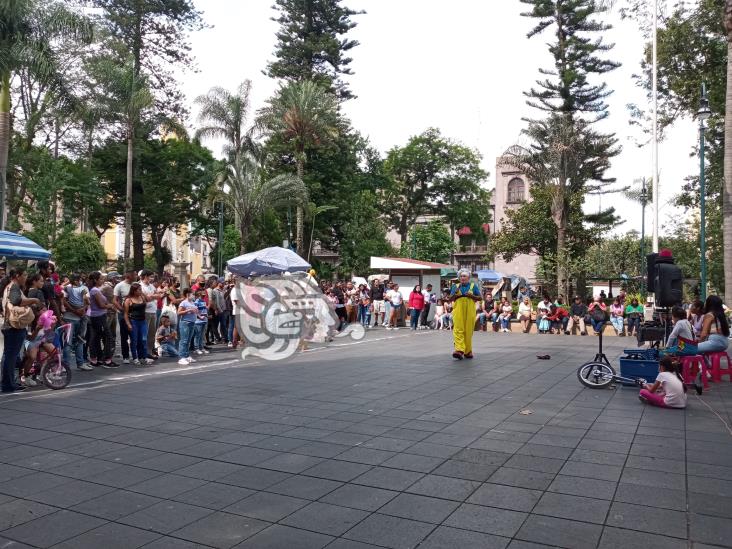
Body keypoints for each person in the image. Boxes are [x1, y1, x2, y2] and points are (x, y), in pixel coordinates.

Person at [1, 268, 40, 392]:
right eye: (24, 275)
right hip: (13, 326)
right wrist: (33, 300)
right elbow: (16, 300)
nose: (26, 277)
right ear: (17, 276)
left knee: (10, 356)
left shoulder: (11, 286)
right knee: (11, 356)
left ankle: (9, 382)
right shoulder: (13, 287)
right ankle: (8, 385)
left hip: (11, 326)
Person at [448, 269, 482, 359]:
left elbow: (480, 298)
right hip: (458, 310)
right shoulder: (455, 286)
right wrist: (456, 294)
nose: (462, 278)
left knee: (468, 330)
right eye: (461, 276)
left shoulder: (473, 286)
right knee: (458, 329)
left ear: (468, 278)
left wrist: (472, 296)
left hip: (470, 310)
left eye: (464, 276)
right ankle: (459, 350)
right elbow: (450, 299)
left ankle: (468, 351)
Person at [87, 271, 117, 368]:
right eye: (100, 279)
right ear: (95, 280)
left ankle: (96, 359)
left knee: (96, 338)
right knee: (108, 338)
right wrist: (110, 306)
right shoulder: (95, 290)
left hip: (97, 316)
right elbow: (101, 305)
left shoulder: (95, 290)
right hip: (99, 317)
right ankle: (106, 360)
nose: (102, 281)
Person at [21, 309, 57, 387]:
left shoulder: (46, 320)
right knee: (32, 357)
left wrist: (53, 325)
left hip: (41, 339)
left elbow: (48, 335)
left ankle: (43, 374)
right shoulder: (30, 322)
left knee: (54, 353)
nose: (45, 311)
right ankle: (26, 377)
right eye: (42, 310)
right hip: (29, 341)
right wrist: (37, 329)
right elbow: (30, 338)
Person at [62, 274, 91, 371]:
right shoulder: (82, 288)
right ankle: (77, 363)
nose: (80, 281)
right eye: (79, 279)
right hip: (76, 318)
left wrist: (77, 310)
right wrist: (81, 310)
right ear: (76, 280)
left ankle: (72, 364)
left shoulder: (67, 288)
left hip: (71, 317)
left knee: (71, 342)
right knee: (78, 341)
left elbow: (64, 301)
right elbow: (87, 300)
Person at [123, 283, 152, 366]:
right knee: (134, 340)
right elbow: (125, 314)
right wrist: (128, 324)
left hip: (142, 321)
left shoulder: (142, 297)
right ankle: (135, 358)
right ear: (134, 291)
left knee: (143, 339)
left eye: (141, 289)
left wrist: (143, 294)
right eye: (139, 290)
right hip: (133, 321)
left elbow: (147, 301)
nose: (140, 291)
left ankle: (143, 357)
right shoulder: (128, 300)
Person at [114, 270, 136, 364]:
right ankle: (126, 356)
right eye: (134, 274)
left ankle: (135, 355)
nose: (135, 276)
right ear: (128, 275)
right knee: (124, 335)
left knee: (134, 335)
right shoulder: (119, 285)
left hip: (135, 313)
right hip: (123, 314)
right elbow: (114, 300)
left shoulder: (135, 285)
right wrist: (123, 310)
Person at [139, 270, 161, 359]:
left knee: (152, 334)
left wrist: (151, 296)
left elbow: (158, 295)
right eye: (150, 276)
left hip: (153, 311)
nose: (151, 278)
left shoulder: (151, 286)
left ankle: (149, 351)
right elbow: (146, 298)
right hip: (145, 312)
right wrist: (152, 296)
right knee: (144, 334)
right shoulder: (140, 286)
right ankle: (142, 352)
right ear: (145, 276)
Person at [177, 289, 198, 365]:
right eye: (192, 294)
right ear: (187, 294)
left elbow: (195, 311)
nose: (193, 295)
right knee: (184, 340)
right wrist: (187, 311)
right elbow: (179, 312)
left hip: (192, 322)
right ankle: (181, 357)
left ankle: (186, 355)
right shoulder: (184, 303)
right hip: (185, 323)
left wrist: (196, 312)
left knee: (188, 340)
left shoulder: (192, 302)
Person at [193, 290, 210, 355]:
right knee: (198, 335)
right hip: (198, 321)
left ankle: (201, 347)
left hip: (204, 320)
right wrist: (199, 316)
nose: (204, 295)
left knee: (202, 335)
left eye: (204, 294)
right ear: (199, 295)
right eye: (202, 294)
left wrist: (207, 316)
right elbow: (195, 311)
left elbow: (204, 310)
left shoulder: (203, 301)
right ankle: (196, 348)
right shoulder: (196, 302)